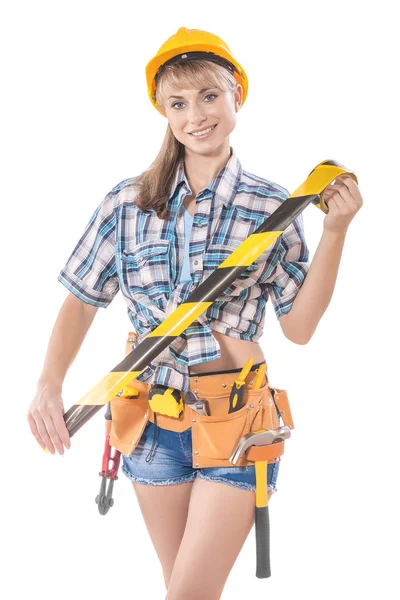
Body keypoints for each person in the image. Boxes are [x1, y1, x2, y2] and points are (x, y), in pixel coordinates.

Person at [27, 27, 363, 599]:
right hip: (151, 419)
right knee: (180, 591)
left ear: (236, 92)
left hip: (238, 419)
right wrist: (47, 385)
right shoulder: (128, 202)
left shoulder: (273, 205)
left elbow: (300, 328)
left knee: (189, 595)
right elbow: (82, 298)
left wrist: (334, 231)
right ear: (164, 112)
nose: (196, 116)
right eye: (178, 104)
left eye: (209, 95)